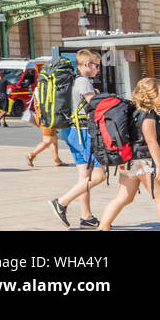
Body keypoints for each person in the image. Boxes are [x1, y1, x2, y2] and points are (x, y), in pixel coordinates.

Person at [50, 49, 105, 228]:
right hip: (83, 133)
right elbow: (96, 107)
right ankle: (62, 202)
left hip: (70, 131)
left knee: (84, 176)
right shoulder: (83, 82)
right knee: (99, 175)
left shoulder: (73, 80)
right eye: (97, 65)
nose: (98, 69)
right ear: (88, 65)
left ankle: (86, 216)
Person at [97, 77, 160, 230]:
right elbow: (151, 141)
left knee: (124, 197)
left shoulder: (132, 111)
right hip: (144, 161)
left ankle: (103, 226)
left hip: (129, 161)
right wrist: (158, 164)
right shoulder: (148, 114)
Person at [26, 92, 68, 168]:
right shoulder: (45, 87)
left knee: (53, 139)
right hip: (48, 117)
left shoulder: (38, 88)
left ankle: (57, 160)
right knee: (48, 140)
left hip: (42, 116)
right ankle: (32, 155)